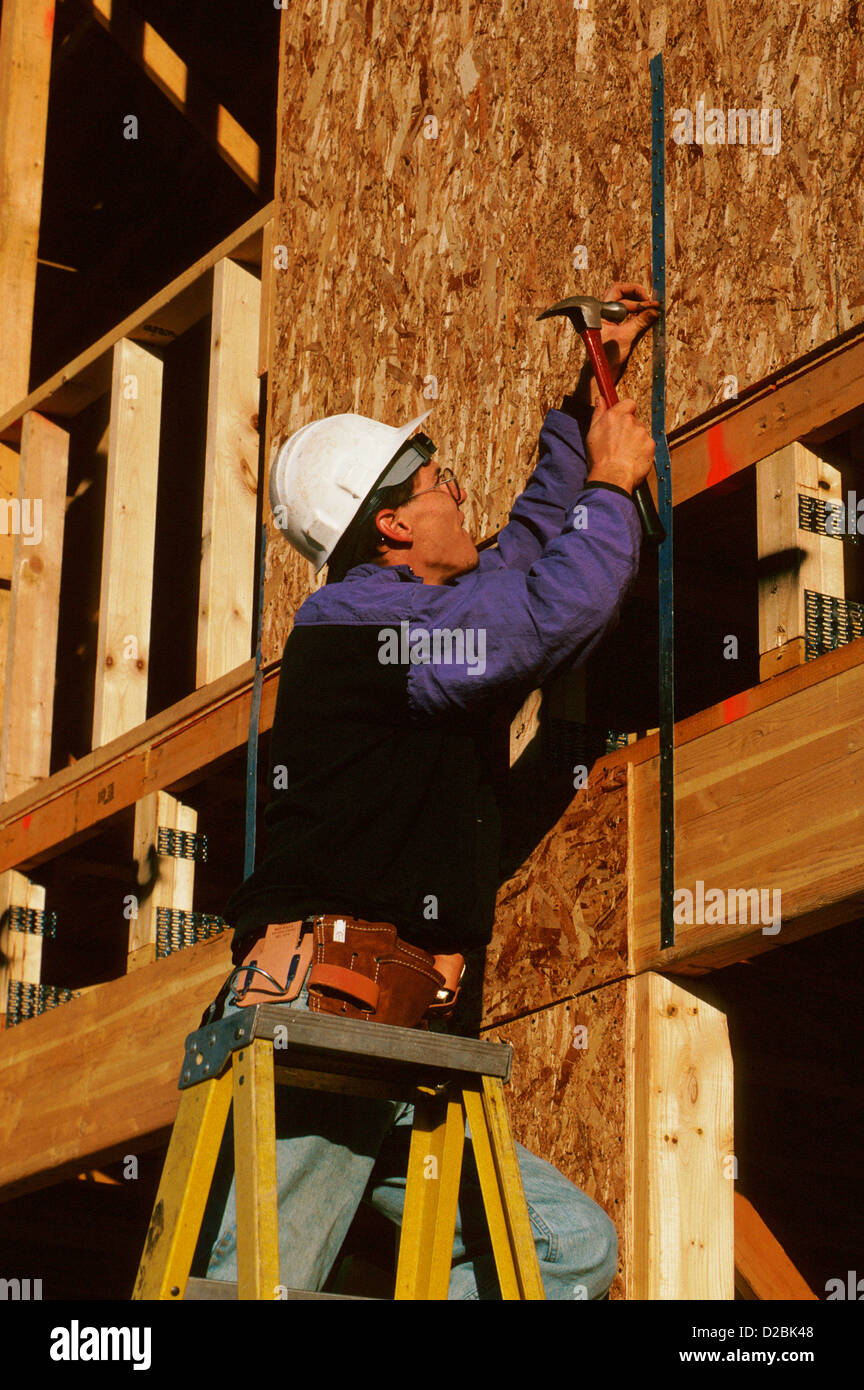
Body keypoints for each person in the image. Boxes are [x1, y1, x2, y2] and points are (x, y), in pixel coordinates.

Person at [202, 282, 659, 1299]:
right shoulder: (358, 631)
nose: (463, 496)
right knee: (254, 1287)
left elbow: (534, 555)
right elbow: (544, 615)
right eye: (446, 481)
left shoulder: (419, 622)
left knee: (567, 1250)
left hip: (405, 1041)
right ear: (398, 524)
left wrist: (592, 393)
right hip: (330, 1019)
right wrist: (618, 488)